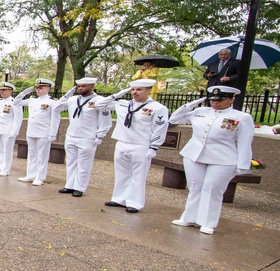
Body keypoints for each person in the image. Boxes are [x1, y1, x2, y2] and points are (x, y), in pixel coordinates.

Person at [168, 85, 254, 234]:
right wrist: (190, 105)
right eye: (212, 99)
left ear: (231, 99)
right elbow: (174, 119)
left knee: (212, 188)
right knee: (194, 187)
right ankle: (189, 218)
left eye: (220, 100)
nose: (215, 103)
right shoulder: (200, 112)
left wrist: (243, 163)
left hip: (223, 158)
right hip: (194, 154)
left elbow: (245, 141)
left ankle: (207, 222)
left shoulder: (241, 117)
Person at [93, 78, 169, 213]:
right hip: (122, 142)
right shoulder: (123, 104)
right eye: (133, 89)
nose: (135, 92)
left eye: (139, 89)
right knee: (121, 173)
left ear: (149, 90)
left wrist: (154, 147)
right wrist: (119, 94)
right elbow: (98, 105)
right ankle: (119, 198)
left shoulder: (157, 108)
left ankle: (134, 202)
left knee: (138, 175)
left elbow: (160, 128)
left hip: (141, 144)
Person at [51, 77, 112, 197]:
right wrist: (67, 94)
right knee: (71, 162)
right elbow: (56, 108)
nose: (80, 88)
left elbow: (106, 121)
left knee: (84, 164)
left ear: (92, 86)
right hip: (71, 135)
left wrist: (100, 136)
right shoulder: (73, 99)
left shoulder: (100, 100)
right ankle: (70, 185)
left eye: (83, 86)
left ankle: (79, 187)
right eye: (78, 86)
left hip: (87, 136)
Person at [14, 78, 56, 186]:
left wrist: (52, 133)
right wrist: (24, 93)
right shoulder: (32, 100)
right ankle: (31, 174)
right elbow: (16, 102)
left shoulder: (52, 102)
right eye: (37, 87)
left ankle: (40, 177)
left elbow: (55, 119)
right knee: (32, 154)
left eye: (41, 88)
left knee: (42, 155)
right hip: (31, 131)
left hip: (44, 132)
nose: (38, 90)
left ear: (48, 89)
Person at [0, 82, 20, 176]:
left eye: (4, 90)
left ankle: (5, 169)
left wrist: (14, 132)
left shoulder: (14, 102)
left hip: (8, 129)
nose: (2, 92)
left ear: (10, 91)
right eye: (1, 90)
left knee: (7, 150)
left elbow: (18, 119)